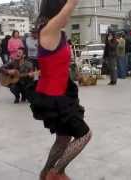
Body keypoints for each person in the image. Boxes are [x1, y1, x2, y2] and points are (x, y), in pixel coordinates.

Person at [28, 0, 92, 179]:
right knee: (84, 135)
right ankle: (56, 173)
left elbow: (54, 62)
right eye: (64, 12)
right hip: (55, 96)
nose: (68, 17)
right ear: (57, 11)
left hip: (61, 91)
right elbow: (71, 4)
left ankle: (45, 172)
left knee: (63, 138)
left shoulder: (57, 33)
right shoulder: (49, 30)